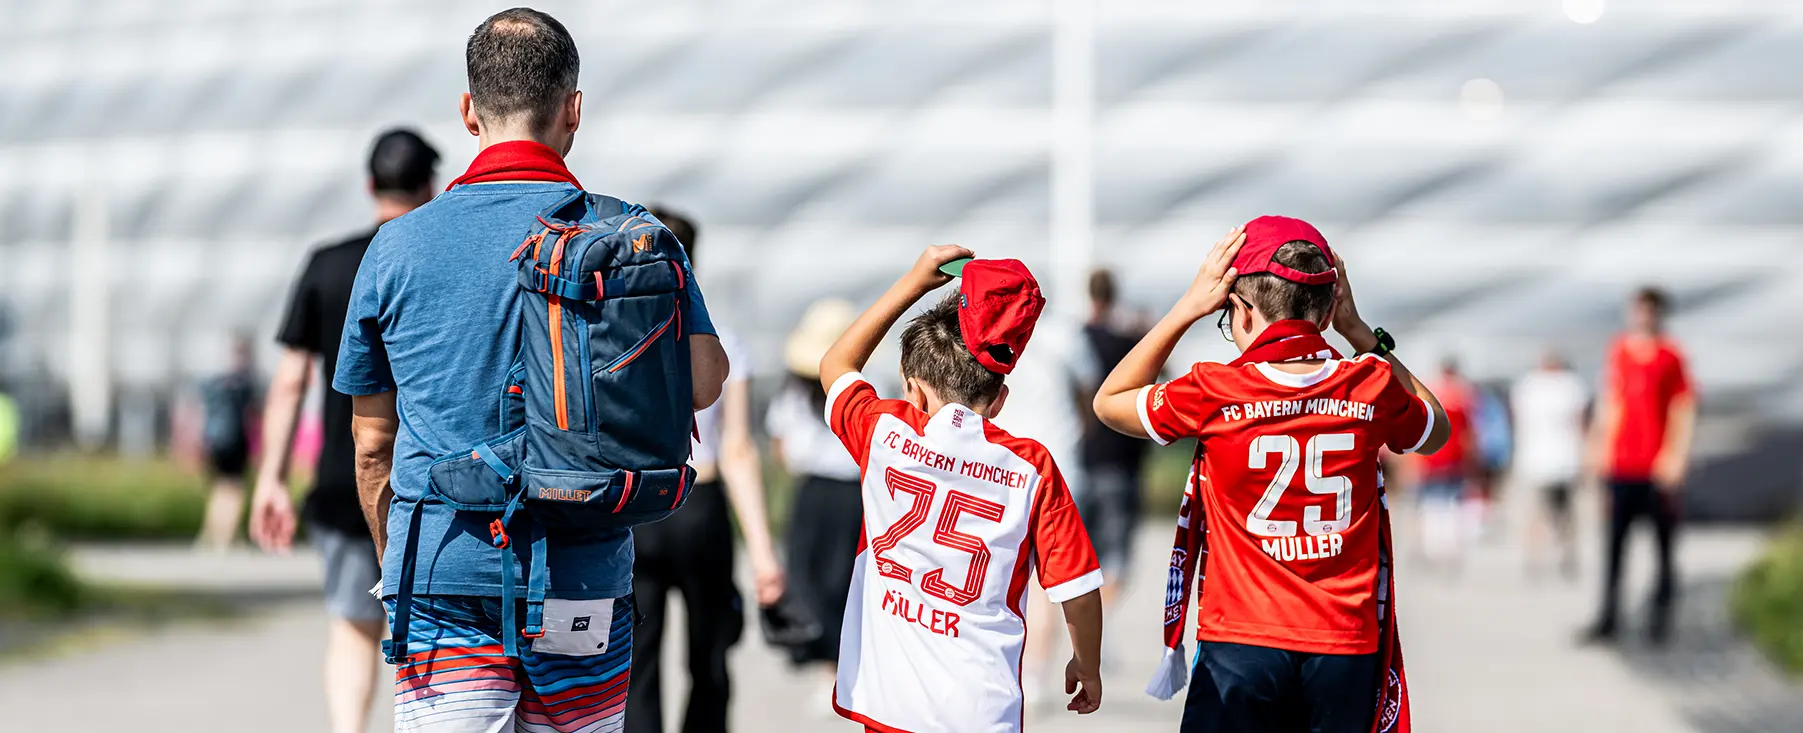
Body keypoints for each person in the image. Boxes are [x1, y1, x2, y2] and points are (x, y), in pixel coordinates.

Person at [334, 9, 729, 731]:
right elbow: (704, 381)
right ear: (573, 110)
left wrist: (401, 565)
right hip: (582, 570)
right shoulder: (630, 235)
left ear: (467, 111)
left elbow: (370, 445)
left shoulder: (395, 248)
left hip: (443, 572)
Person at [1092, 218, 1449, 733]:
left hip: (1241, 640)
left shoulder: (1215, 390)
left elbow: (1109, 402)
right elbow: (1434, 428)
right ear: (1329, 309)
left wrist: (1187, 308)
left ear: (1239, 309)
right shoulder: (1368, 384)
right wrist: (1358, 332)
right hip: (1342, 642)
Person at [820, 246, 1105, 731]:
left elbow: (837, 365)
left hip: (890, 703)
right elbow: (1076, 592)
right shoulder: (1032, 468)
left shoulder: (885, 434)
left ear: (912, 388)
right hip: (980, 708)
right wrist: (1087, 664)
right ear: (999, 400)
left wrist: (911, 282)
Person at [246, 128, 439, 733]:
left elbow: (289, 382)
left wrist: (270, 481)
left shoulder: (327, 264)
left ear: (369, 185)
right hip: (434, 480)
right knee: (436, 637)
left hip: (343, 479)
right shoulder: (437, 258)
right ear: (431, 187)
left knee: (354, 630)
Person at [626, 206, 784, 733]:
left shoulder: (620, 334)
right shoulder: (721, 340)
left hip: (639, 503)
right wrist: (763, 555)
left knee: (635, 660)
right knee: (709, 657)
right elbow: (738, 448)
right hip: (701, 503)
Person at [1582, 286, 1695, 645]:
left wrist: (1675, 455)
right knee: (1614, 544)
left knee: (1662, 546)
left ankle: (1660, 620)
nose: (1642, 316)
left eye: (1649, 310)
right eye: (1638, 309)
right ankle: (1609, 618)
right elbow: (1610, 401)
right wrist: (1598, 447)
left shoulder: (1670, 355)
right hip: (1622, 464)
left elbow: (1683, 407)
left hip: (1656, 465)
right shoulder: (1619, 350)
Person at [764, 299, 862, 697]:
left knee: (827, 577)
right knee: (824, 576)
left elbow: (782, 449)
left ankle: (832, 664)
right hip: (838, 492)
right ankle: (830, 663)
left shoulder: (796, 393)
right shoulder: (854, 392)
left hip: (831, 492)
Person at [1076, 268, 1147, 604]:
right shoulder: (1130, 343)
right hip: (1122, 462)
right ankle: (1101, 636)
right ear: (1114, 294)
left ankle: (1084, 635)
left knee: (1080, 561)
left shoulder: (1078, 340)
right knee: (1116, 559)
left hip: (1082, 460)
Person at [1510, 348, 1588, 579]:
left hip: (1539, 460)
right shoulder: (1570, 385)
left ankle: (1536, 560)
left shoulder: (1529, 385)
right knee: (1560, 516)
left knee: (1540, 515)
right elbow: (1580, 422)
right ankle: (1563, 557)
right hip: (1561, 459)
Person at [1411, 358, 1480, 571]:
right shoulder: (1464, 396)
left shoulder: (1431, 391)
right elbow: (1469, 433)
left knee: (1432, 506)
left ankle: (1434, 551)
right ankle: (1449, 551)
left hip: (1430, 457)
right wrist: (1473, 458)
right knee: (1451, 505)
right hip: (1453, 457)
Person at [195, 334, 261, 551]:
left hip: (212, 440)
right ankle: (225, 537)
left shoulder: (212, 382)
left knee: (218, 489)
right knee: (234, 490)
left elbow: (198, 410)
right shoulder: (244, 384)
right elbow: (253, 415)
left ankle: (210, 536)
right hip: (235, 440)